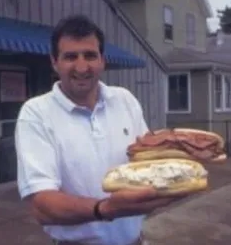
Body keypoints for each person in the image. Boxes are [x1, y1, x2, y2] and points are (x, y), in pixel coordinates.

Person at [15, 15, 180, 245]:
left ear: (102, 60)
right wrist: (105, 209)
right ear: (54, 62)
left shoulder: (124, 100)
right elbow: (42, 206)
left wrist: (179, 156)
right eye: (70, 56)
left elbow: (146, 162)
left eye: (90, 55)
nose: (82, 67)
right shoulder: (36, 114)